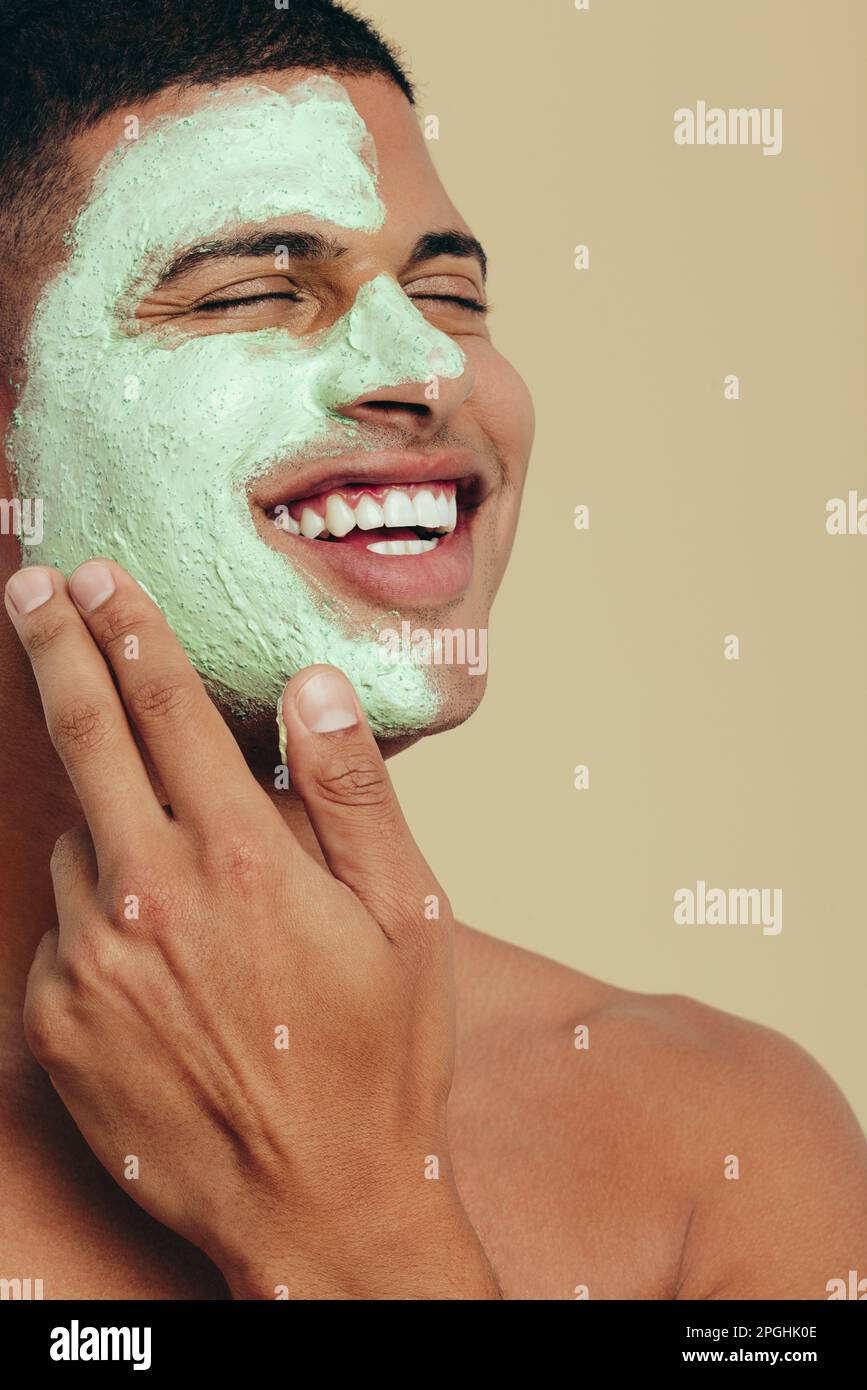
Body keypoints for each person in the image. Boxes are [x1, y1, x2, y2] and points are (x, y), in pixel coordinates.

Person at [0, 0, 864, 1301]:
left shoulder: (722, 1135)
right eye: (252, 290)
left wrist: (354, 1226)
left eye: (453, 292)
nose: (429, 367)